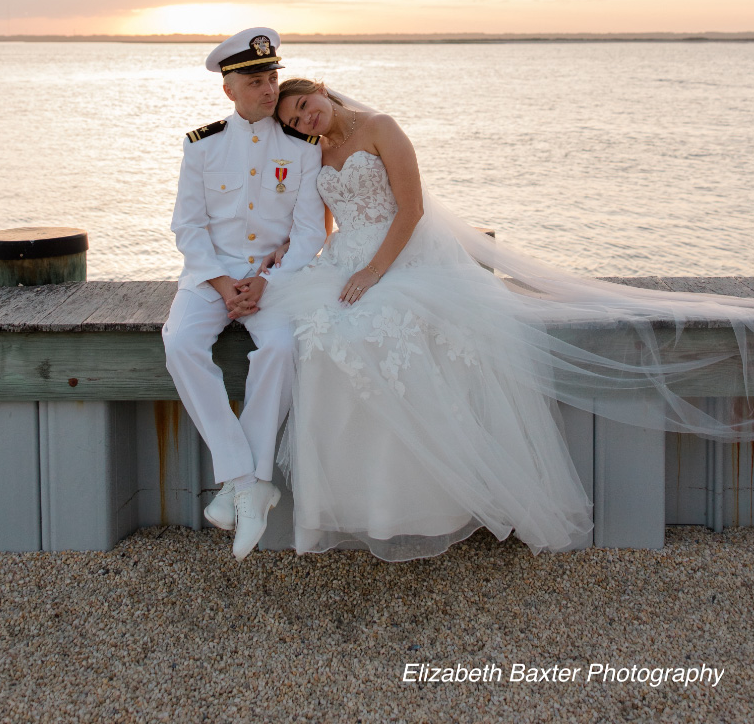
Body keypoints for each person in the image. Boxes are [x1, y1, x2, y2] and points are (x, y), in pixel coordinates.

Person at [263, 77, 754, 562]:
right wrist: (291, 247)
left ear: (322, 91)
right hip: (343, 262)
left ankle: (430, 506)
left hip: (401, 259)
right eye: (294, 120)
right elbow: (323, 224)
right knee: (318, 335)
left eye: (305, 105)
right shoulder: (317, 152)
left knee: (387, 331)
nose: (306, 118)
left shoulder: (380, 127)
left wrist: (373, 272)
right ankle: (360, 501)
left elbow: (410, 210)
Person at [162, 32, 326, 561]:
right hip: (210, 277)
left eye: (273, 78)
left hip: (271, 277)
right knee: (181, 342)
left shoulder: (301, 149)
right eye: (256, 81)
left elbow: (308, 233)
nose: (268, 89)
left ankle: (243, 486)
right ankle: (246, 476)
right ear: (229, 89)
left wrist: (266, 283)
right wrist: (219, 282)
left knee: (279, 348)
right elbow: (187, 227)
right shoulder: (202, 143)